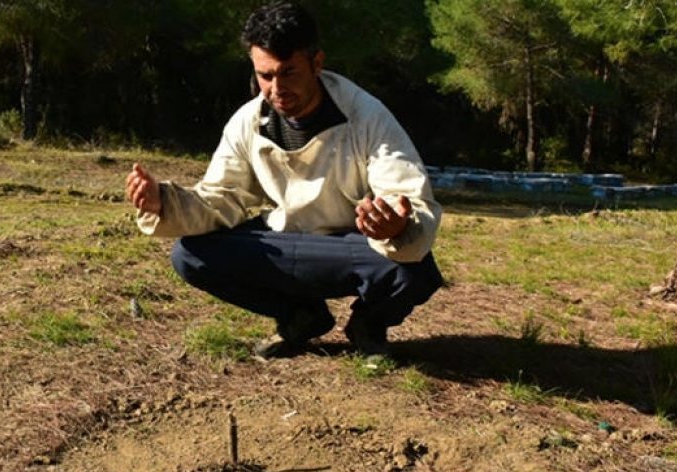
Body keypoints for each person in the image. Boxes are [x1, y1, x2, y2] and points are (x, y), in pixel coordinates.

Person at [125, 1, 444, 359]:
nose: (276, 88)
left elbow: (408, 197)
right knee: (190, 255)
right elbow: (222, 197)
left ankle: (368, 324)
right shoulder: (247, 122)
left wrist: (394, 227)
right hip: (284, 243)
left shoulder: (367, 116)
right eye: (265, 75)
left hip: (353, 247)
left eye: (288, 73)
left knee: (416, 269)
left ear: (317, 63)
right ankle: (300, 316)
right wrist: (164, 203)